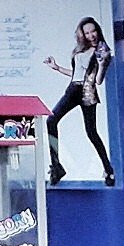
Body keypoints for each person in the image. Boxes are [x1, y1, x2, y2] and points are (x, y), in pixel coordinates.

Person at [43, 16, 115, 186]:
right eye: (87, 33)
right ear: (82, 34)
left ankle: (108, 169)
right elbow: (76, 73)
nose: (91, 35)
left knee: (91, 132)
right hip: (73, 89)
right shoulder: (80, 50)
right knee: (51, 120)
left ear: (98, 31)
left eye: (93, 31)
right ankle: (56, 165)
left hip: (87, 92)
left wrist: (102, 64)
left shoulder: (103, 50)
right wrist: (57, 68)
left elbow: (98, 80)